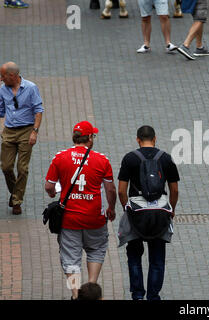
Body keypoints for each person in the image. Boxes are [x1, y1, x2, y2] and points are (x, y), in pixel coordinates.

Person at [44, 121, 117, 300]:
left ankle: (77, 295)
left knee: (70, 259)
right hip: (95, 218)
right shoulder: (102, 160)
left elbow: (49, 186)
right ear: (90, 138)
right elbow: (110, 189)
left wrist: (53, 193)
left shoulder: (60, 157)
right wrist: (111, 208)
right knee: (96, 250)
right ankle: (92, 287)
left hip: (69, 219)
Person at [118, 125, 179, 300]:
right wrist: (172, 210)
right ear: (155, 139)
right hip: (159, 214)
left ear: (138, 139)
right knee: (157, 258)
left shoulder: (130, 159)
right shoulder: (166, 158)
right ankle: (153, 296)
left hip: (137, 213)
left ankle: (138, 295)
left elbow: (122, 190)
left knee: (134, 256)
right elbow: (174, 190)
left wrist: (126, 208)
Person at [0, 62, 43, 215]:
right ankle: (15, 194)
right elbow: (1, 110)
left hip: (26, 131)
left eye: (3, 76)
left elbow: (38, 110)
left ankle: (17, 201)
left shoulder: (31, 88)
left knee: (22, 169)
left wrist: (34, 132)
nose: (0, 79)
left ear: (12, 76)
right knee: (6, 167)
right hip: (9, 131)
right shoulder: (2, 90)